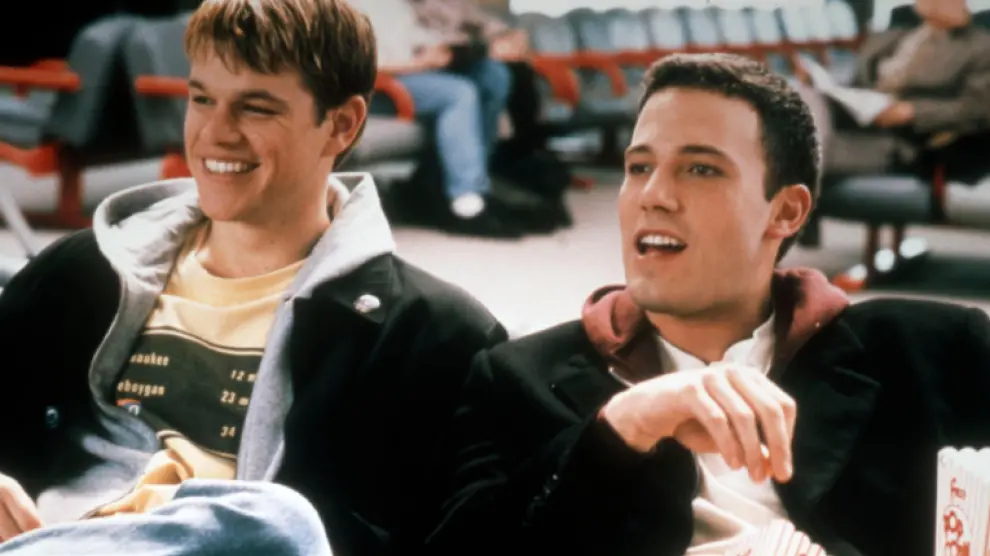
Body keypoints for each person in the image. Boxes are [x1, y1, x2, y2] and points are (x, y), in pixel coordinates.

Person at [428, 53, 990, 556]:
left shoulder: (935, 352)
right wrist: (620, 430)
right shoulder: (517, 377)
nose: (653, 195)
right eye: (639, 167)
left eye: (701, 168)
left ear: (785, 212)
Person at [0, 0, 505, 554]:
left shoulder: (432, 335)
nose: (215, 134)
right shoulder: (85, 270)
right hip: (57, 536)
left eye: (256, 109)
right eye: (201, 100)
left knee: (282, 520)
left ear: (341, 124)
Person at [350, 0, 528, 238]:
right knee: (459, 92)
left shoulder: (406, 5)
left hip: (417, 74)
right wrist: (422, 63)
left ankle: (473, 187)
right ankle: (466, 204)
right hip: (378, 90)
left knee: (493, 75)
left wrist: (456, 51)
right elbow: (359, 70)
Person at [824, 0, 990, 180]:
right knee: (810, 102)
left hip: (909, 140)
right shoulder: (896, 36)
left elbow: (977, 109)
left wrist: (912, 112)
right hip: (857, 116)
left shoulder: (979, 47)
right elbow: (859, 81)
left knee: (812, 151)